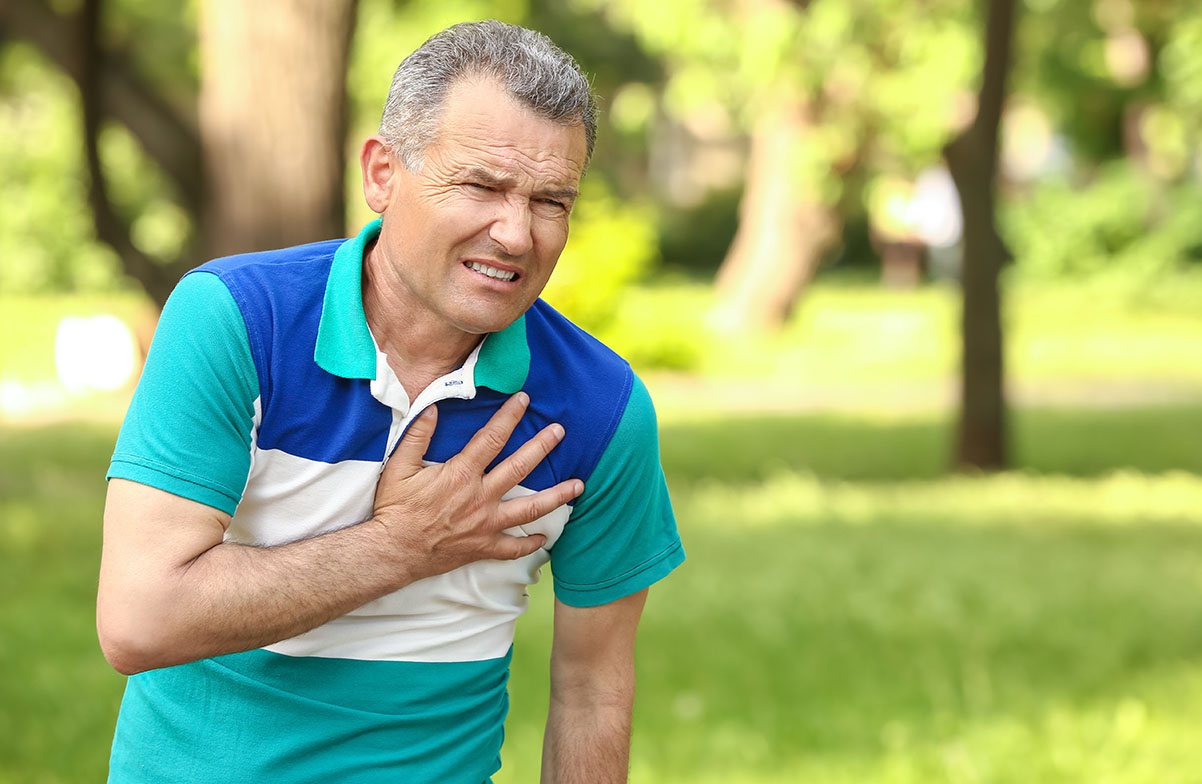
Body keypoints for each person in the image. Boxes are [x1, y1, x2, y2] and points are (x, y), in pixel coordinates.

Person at [96, 19, 684, 784]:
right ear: (382, 174)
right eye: (481, 184)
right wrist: (404, 545)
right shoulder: (237, 321)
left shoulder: (601, 410)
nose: (515, 232)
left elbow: (592, 692)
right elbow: (140, 621)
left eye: (551, 201)